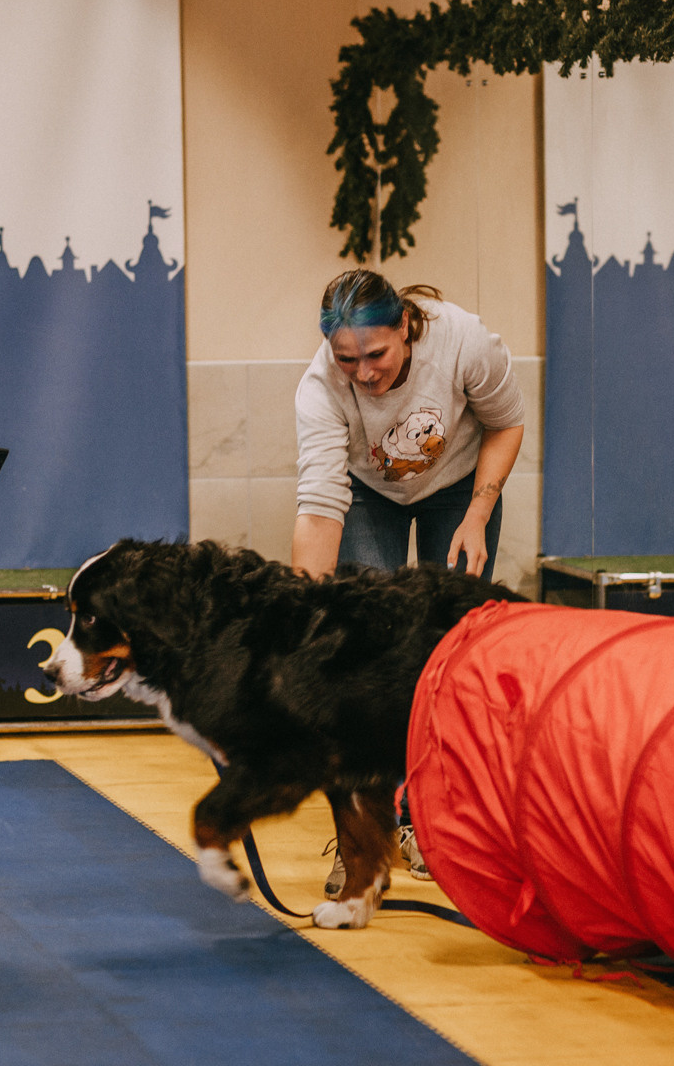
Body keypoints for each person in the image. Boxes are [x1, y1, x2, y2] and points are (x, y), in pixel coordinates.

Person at [292, 269, 526, 893]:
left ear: (404, 330)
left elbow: (506, 423)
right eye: (348, 360)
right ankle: (367, 837)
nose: (363, 373)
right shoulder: (319, 389)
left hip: (459, 491)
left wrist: (479, 514)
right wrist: (299, 625)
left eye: (376, 355)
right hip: (371, 495)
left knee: (448, 653)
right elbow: (319, 504)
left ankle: (435, 825)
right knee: (367, 659)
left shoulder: (464, 341)